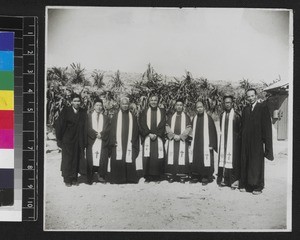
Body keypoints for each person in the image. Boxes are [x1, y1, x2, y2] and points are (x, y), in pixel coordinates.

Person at [240, 88, 274, 195]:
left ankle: (258, 186)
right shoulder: (245, 109)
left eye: (252, 96)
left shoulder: (262, 108)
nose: (250, 98)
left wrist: (267, 145)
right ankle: (248, 185)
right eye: (248, 96)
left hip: (257, 141)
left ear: (256, 96)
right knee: (247, 162)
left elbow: (267, 128)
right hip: (246, 142)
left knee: (256, 163)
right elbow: (242, 126)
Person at [55, 93, 87, 187]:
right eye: (75, 101)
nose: (77, 103)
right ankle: (67, 178)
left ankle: (74, 178)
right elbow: (59, 126)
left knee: (77, 158)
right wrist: (59, 139)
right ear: (71, 102)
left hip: (78, 140)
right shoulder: (66, 111)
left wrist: (84, 141)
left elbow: (85, 127)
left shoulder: (83, 112)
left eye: (78, 101)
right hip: (67, 140)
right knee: (67, 159)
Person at [108, 97, 140, 184]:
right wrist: (113, 140)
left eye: (126, 104)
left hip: (129, 142)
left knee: (129, 158)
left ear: (129, 105)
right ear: (120, 105)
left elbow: (136, 130)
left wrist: (133, 140)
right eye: (123, 104)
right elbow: (112, 130)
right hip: (118, 142)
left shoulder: (132, 116)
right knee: (118, 158)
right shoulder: (115, 116)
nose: (125, 106)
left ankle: (130, 178)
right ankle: (117, 179)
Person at [189, 101, 218, 185]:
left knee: (206, 159)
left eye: (201, 107)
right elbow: (191, 131)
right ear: (196, 109)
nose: (199, 108)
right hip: (196, 143)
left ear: (204, 107)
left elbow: (213, 132)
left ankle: (205, 177)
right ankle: (196, 176)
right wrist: (190, 140)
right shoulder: (194, 118)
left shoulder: (208, 118)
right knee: (196, 159)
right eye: (198, 107)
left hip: (206, 144)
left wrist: (212, 144)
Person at [139, 95, 166, 183]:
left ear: (158, 101)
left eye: (155, 100)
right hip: (148, 137)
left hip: (158, 137)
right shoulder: (145, 111)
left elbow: (163, 123)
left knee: (158, 157)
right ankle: (148, 176)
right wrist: (148, 133)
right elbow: (142, 123)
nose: (153, 102)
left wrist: (157, 134)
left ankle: (157, 176)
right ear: (149, 101)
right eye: (152, 100)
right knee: (148, 157)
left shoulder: (162, 111)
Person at [217, 95, 241, 189]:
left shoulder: (236, 115)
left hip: (233, 143)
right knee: (224, 160)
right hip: (224, 141)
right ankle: (225, 179)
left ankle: (234, 180)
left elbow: (239, 130)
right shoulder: (222, 115)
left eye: (229, 102)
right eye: (226, 102)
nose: (227, 104)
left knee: (233, 161)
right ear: (223, 103)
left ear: (232, 103)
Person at [165, 99, 192, 183]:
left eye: (181, 105)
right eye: (177, 105)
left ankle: (182, 176)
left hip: (182, 141)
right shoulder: (171, 117)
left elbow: (189, 128)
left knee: (182, 157)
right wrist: (173, 136)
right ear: (175, 106)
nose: (179, 106)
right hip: (172, 140)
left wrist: (181, 136)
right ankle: (172, 175)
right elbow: (167, 127)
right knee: (172, 157)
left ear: (183, 106)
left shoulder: (186, 117)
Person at [86, 98, 110, 184]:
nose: (99, 107)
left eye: (100, 105)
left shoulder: (106, 118)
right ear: (93, 106)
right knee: (90, 159)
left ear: (102, 106)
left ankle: (101, 176)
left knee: (102, 158)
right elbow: (87, 127)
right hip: (91, 140)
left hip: (102, 141)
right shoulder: (88, 116)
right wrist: (95, 134)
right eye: (97, 105)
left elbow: (108, 129)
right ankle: (90, 176)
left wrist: (102, 134)